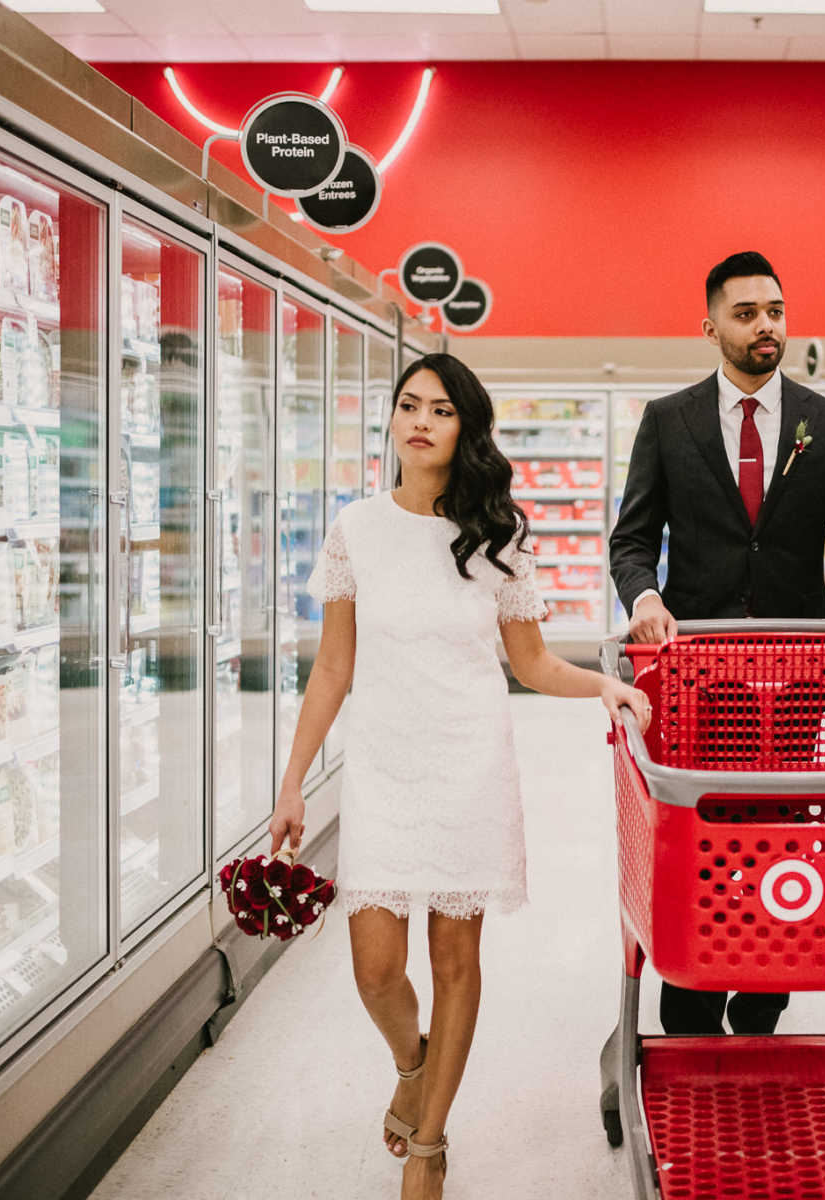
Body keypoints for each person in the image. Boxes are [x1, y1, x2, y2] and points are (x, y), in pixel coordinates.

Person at [269, 353, 651, 1200]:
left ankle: (432, 1145)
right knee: (374, 968)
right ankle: (413, 1062)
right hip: (382, 766)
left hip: (468, 761)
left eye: (440, 410)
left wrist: (606, 685)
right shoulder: (355, 529)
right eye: (409, 405)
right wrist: (294, 780)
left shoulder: (498, 540)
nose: (420, 420)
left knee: (455, 960)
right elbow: (332, 668)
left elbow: (534, 663)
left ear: (464, 430)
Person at [609, 250, 825, 1036]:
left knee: (783, 835)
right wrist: (646, 599)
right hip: (699, 682)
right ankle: (694, 1004)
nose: (766, 326)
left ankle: (765, 995)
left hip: (801, 679)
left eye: (774, 310)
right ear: (710, 328)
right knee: (702, 836)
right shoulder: (668, 422)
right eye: (746, 314)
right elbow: (631, 542)